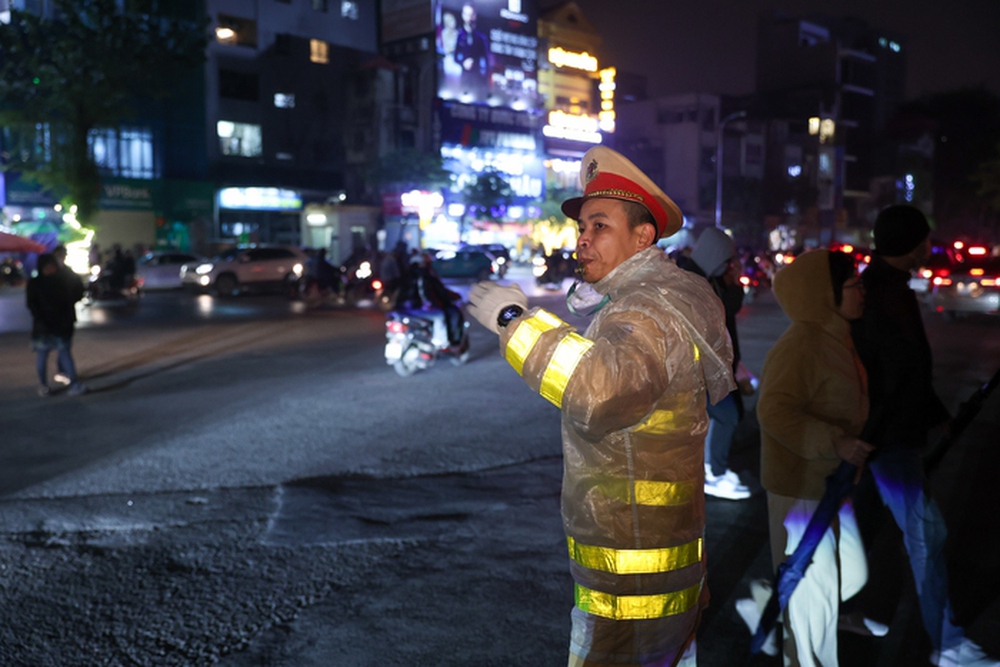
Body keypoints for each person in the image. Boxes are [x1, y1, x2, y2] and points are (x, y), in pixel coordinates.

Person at [467, 146, 735, 666]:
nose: (582, 239)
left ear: (643, 236)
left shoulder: (644, 308)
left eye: (600, 226)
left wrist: (515, 321)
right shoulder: (666, 293)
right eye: (581, 227)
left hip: (627, 576)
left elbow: (599, 391)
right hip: (663, 557)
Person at [851, 204, 997, 667]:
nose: (928, 248)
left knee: (866, 531)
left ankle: (868, 610)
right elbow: (899, 373)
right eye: (923, 240)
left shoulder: (880, 287)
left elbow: (904, 371)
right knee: (925, 536)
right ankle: (947, 643)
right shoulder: (883, 294)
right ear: (910, 243)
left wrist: (936, 417)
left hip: (882, 438)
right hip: (888, 442)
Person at [756, 249, 874, 666]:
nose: (862, 291)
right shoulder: (803, 344)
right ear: (825, 295)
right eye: (853, 285)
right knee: (814, 602)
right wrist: (835, 443)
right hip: (800, 490)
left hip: (832, 484)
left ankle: (768, 602)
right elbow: (773, 410)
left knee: (850, 575)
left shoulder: (836, 336)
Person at [676, 227, 752, 500]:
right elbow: (724, 311)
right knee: (727, 416)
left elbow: (729, 310)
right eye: (727, 260)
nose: (729, 266)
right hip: (702, 367)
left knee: (723, 417)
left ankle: (713, 469)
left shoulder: (709, 276)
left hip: (714, 365)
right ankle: (714, 472)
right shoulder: (694, 279)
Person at [26, 253, 88, 397]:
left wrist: (41, 318)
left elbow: (31, 305)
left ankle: (46, 386)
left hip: (46, 327)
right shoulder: (62, 280)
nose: (50, 270)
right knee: (61, 354)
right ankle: (70, 385)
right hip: (57, 325)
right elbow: (77, 293)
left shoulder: (36, 283)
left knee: (47, 355)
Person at [400, 252, 466, 348]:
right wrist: (429, 304)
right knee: (440, 316)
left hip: (406, 309)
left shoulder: (406, 276)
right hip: (416, 309)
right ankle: (441, 342)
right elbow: (425, 293)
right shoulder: (422, 276)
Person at [454, 2, 490, 98]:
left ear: (475, 16)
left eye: (471, 14)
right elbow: (455, 57)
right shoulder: (459, 36)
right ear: (462, 15)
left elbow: (486, 60)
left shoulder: (481, 37)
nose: (469, 18)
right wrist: (463, 63)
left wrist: (485, 78)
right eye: (466, 14)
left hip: (478, 78)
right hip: (465, 78)